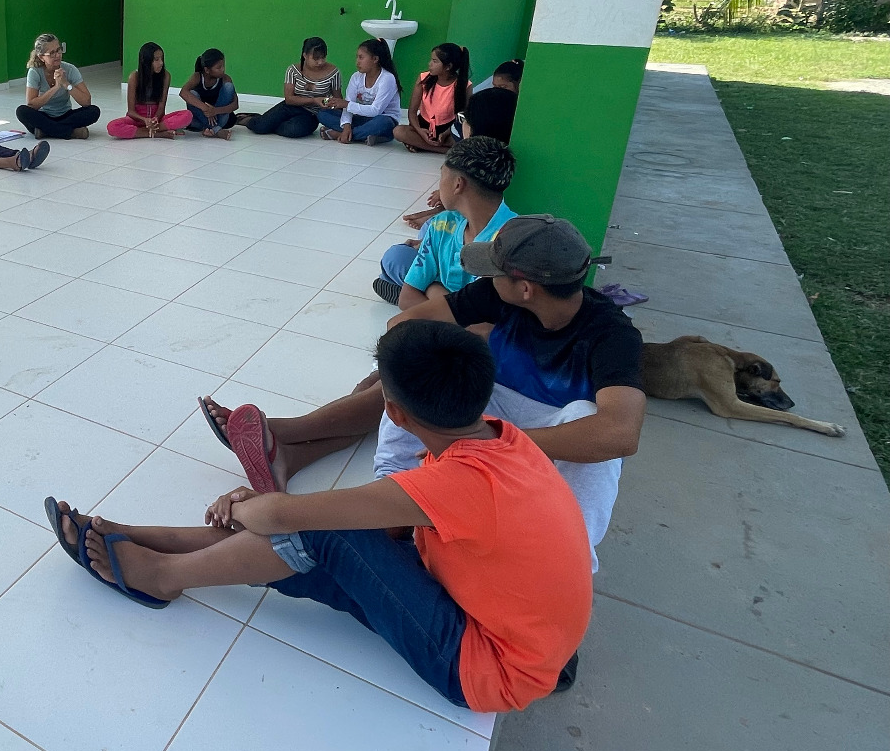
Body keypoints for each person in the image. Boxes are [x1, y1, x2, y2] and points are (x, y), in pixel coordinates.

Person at [49, 320, 591, 711]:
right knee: (321, 547)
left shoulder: (456, 482)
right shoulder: (502, 441)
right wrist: (266, 513)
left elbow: (293, 515)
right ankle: (157, 541)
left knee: (322, 535)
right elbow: (371, 519)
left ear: (393, 413)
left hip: (486, 668)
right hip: (519, 633)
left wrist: (251, 505)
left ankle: (163, 575)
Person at [203, 215, 645, 583]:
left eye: (495, 269)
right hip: (486, 405)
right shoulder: (497, 294)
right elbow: (405, 327)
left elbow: (620, 434)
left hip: (551, 439)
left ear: (526, 286)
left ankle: (567, 570)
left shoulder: (611, 334)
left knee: (590, 421)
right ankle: (388, 497)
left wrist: (496, 441)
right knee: (413, 365)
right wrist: (445, 354)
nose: (485, 276)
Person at [373, 136, 517, 306]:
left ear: (458, 185)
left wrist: (430, 287)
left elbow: (482, 326)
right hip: (458, 310)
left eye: (441, 175)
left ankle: (427, 291)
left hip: (468, 323)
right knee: (397, 255)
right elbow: (406, 299)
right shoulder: (441, 224)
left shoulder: (507, 241)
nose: (439, 185)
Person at [245, 37, 342, 138]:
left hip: (313, 114)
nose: (320, 62)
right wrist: (314, 100)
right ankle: (247, 119)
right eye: (316, 58)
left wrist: (330, 106)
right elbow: (289, 99)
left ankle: (270, 125)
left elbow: (338, 99)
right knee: (260, 127)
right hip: (291, 107)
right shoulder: (293, 70)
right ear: (305, 56)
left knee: (293, 130)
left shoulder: (333, 72)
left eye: (323, 57)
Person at [15, 33, 101, 140]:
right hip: (43, 115)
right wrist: (55, 87)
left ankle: (46, 131)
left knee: (94, 111)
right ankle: (71, 132)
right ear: (41, 57)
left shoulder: (70, 69)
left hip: (66, 115)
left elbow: (86, 101)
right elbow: (32, 104)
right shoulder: (34, 72)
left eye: (58, 50)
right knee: (21, 111)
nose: (57, 55)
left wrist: (66, 84)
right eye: (52, 53)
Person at [320, 38, 402, 145]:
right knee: (323, 114)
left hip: (383, 118)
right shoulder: (356, 77)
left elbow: (375, 111)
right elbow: (348, 106)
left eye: (361, 57)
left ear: (375, 59)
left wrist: (347, 104)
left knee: (382, 123)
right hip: (362, 118)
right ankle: (367, 135)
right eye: (357, 57)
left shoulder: (387, 78)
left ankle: (339, 134)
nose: (357, 62)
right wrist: (347, 125)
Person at [394, 43, 470, 154]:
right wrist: (420, 132)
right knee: (398, 131)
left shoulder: (465, 85)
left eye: (435, 61)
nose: (430, 64)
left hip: (448, 130)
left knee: (464, 139)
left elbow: (463, 117)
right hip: (424, 126)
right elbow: (412, 112)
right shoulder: (423, 78)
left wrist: (445, 133)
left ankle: (420, 145)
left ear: (448, 66)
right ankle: (443, 150)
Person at [106, 42, 192, 139]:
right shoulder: (134, 77)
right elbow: (131, 112)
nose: (161, 63)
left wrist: (154, 120)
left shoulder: (165, 76)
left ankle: (148, 131)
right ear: (146, 61)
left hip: (157, 120)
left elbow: (161, 107)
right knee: (112, 127)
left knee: (187, 115)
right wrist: (145, 120)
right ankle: (159, 133)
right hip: (137, 121)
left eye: (162, 59)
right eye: (156, 60)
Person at [179, 48, 239, 138]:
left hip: (219, 117)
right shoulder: (197, 77)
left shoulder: (225, 79)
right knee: (192, 93)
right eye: (219, 67)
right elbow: (183, 92)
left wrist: (215, 111)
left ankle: (209, 128)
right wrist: (206, 109)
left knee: (229, 87)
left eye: (223, 66)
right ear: (207, 70)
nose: (223, 69)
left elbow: (235, 105)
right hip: (201, 116)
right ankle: (216, 130)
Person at [462, 60, 522, 144]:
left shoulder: (516, 106)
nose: (497, 90)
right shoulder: (489, 101)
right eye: (494, 86)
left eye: (503, 87)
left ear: (519, 84)